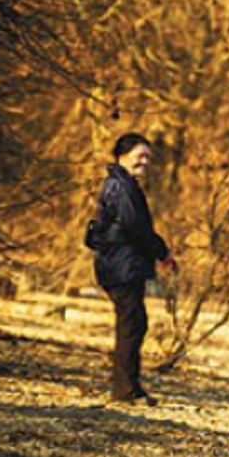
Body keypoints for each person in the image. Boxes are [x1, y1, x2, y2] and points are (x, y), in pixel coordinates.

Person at [86, 133, 176, 406]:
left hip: (126, 265)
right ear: (122, 155)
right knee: (131, 324)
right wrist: (161, 251)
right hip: (120, 266)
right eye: (140, 156)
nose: (145, 161)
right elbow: (134, 226)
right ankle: (124, 390)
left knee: (136, 322)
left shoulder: (125, 184)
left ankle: (131, 386)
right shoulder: (120, 186)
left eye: (148, 156)